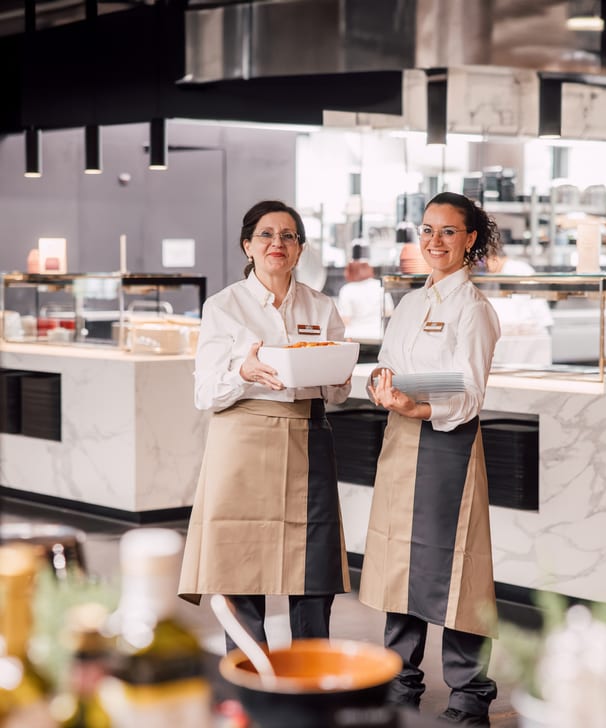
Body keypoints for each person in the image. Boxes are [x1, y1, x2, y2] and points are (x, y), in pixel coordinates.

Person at [178, 199, 351, 648]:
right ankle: (248, 674)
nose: (278, 243)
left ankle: (314, 674)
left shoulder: (322, 307)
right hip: (242, 440)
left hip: (308, 438)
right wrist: (244, 372)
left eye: (289, 236)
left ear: (300, 249)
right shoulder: (224, 307)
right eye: (267, 235)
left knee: (313, 568)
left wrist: (339, 375)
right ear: (248, 246)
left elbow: (335, 393)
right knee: (240, 565)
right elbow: (205, 393)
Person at [359, 192, 502, 726]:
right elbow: (388, 364)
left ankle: (469, 695)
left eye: (447, 231)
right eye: (427, 230)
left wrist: (415, 400)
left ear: (469, 240)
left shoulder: (475, 309)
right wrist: (381, 385)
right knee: (401, 564)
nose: (434, 241)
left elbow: (469, 391)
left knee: (456, 568)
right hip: (400, 441)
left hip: (449, 444)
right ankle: (399, 682)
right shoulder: (411, 304)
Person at [337, 243, 394, 341]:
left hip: (355, 338)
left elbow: (345, 320)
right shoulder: (380, 286)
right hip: (378, 337)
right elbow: (389, 312)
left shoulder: (347, 290)